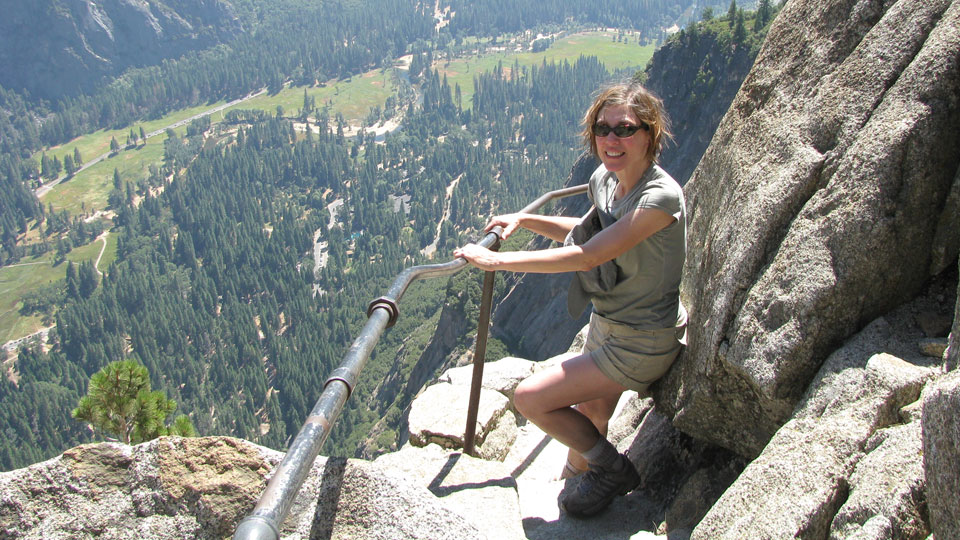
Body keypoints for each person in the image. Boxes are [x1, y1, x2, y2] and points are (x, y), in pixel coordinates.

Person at [454, 80, 687, 518]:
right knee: (591, 413)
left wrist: (496, 262)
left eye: (625, 128)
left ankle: (612, 471)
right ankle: (576, 479)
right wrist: (524, 219)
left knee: (531, 398)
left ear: (649, 135)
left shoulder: (660, 198)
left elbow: (590, 256)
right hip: (608, 323)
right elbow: (583, 234)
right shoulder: (606, 180)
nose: (611, 139)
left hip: (644, 338)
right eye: (602, 128)